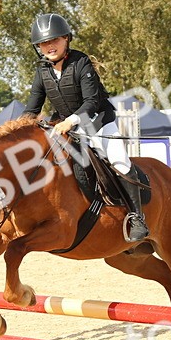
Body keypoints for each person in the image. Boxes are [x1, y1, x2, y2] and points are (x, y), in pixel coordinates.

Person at [23, 12, 149, 242]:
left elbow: (91, 103)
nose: (50, 46)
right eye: (44, 43)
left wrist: (70, 121)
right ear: (38, 47)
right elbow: (32, 107)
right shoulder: (42, 71)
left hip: (99, 122)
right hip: (66, 127)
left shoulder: (81, 63)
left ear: (66, 39)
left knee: (119, 161)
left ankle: (137, 217)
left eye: (55, 40)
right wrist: (16, 130)